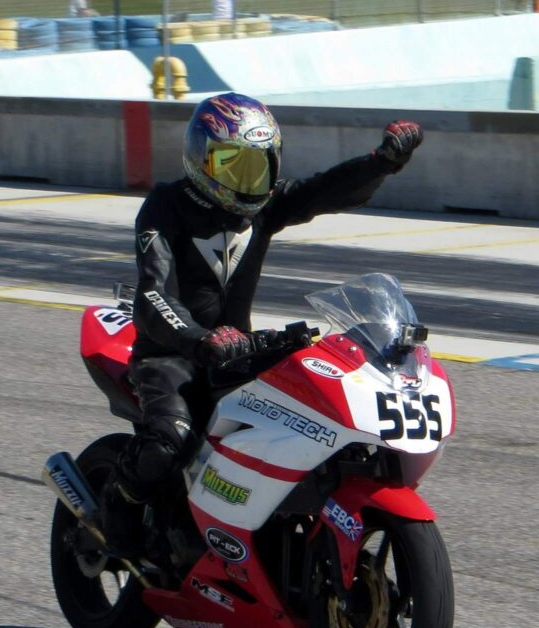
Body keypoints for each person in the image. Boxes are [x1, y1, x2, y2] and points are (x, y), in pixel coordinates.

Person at [97, 92, 424, 557]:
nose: (248, 179)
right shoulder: (165, 207)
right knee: (170, 440)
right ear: (201, 159)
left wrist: (381, 163)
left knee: (310, 418)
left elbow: (323, 190)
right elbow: (152, 296)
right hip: (172, 355)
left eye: (259, 165)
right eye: (233, 165)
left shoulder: (264, 208)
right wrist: (200, 339)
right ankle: (116, 509)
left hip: (240, 354)